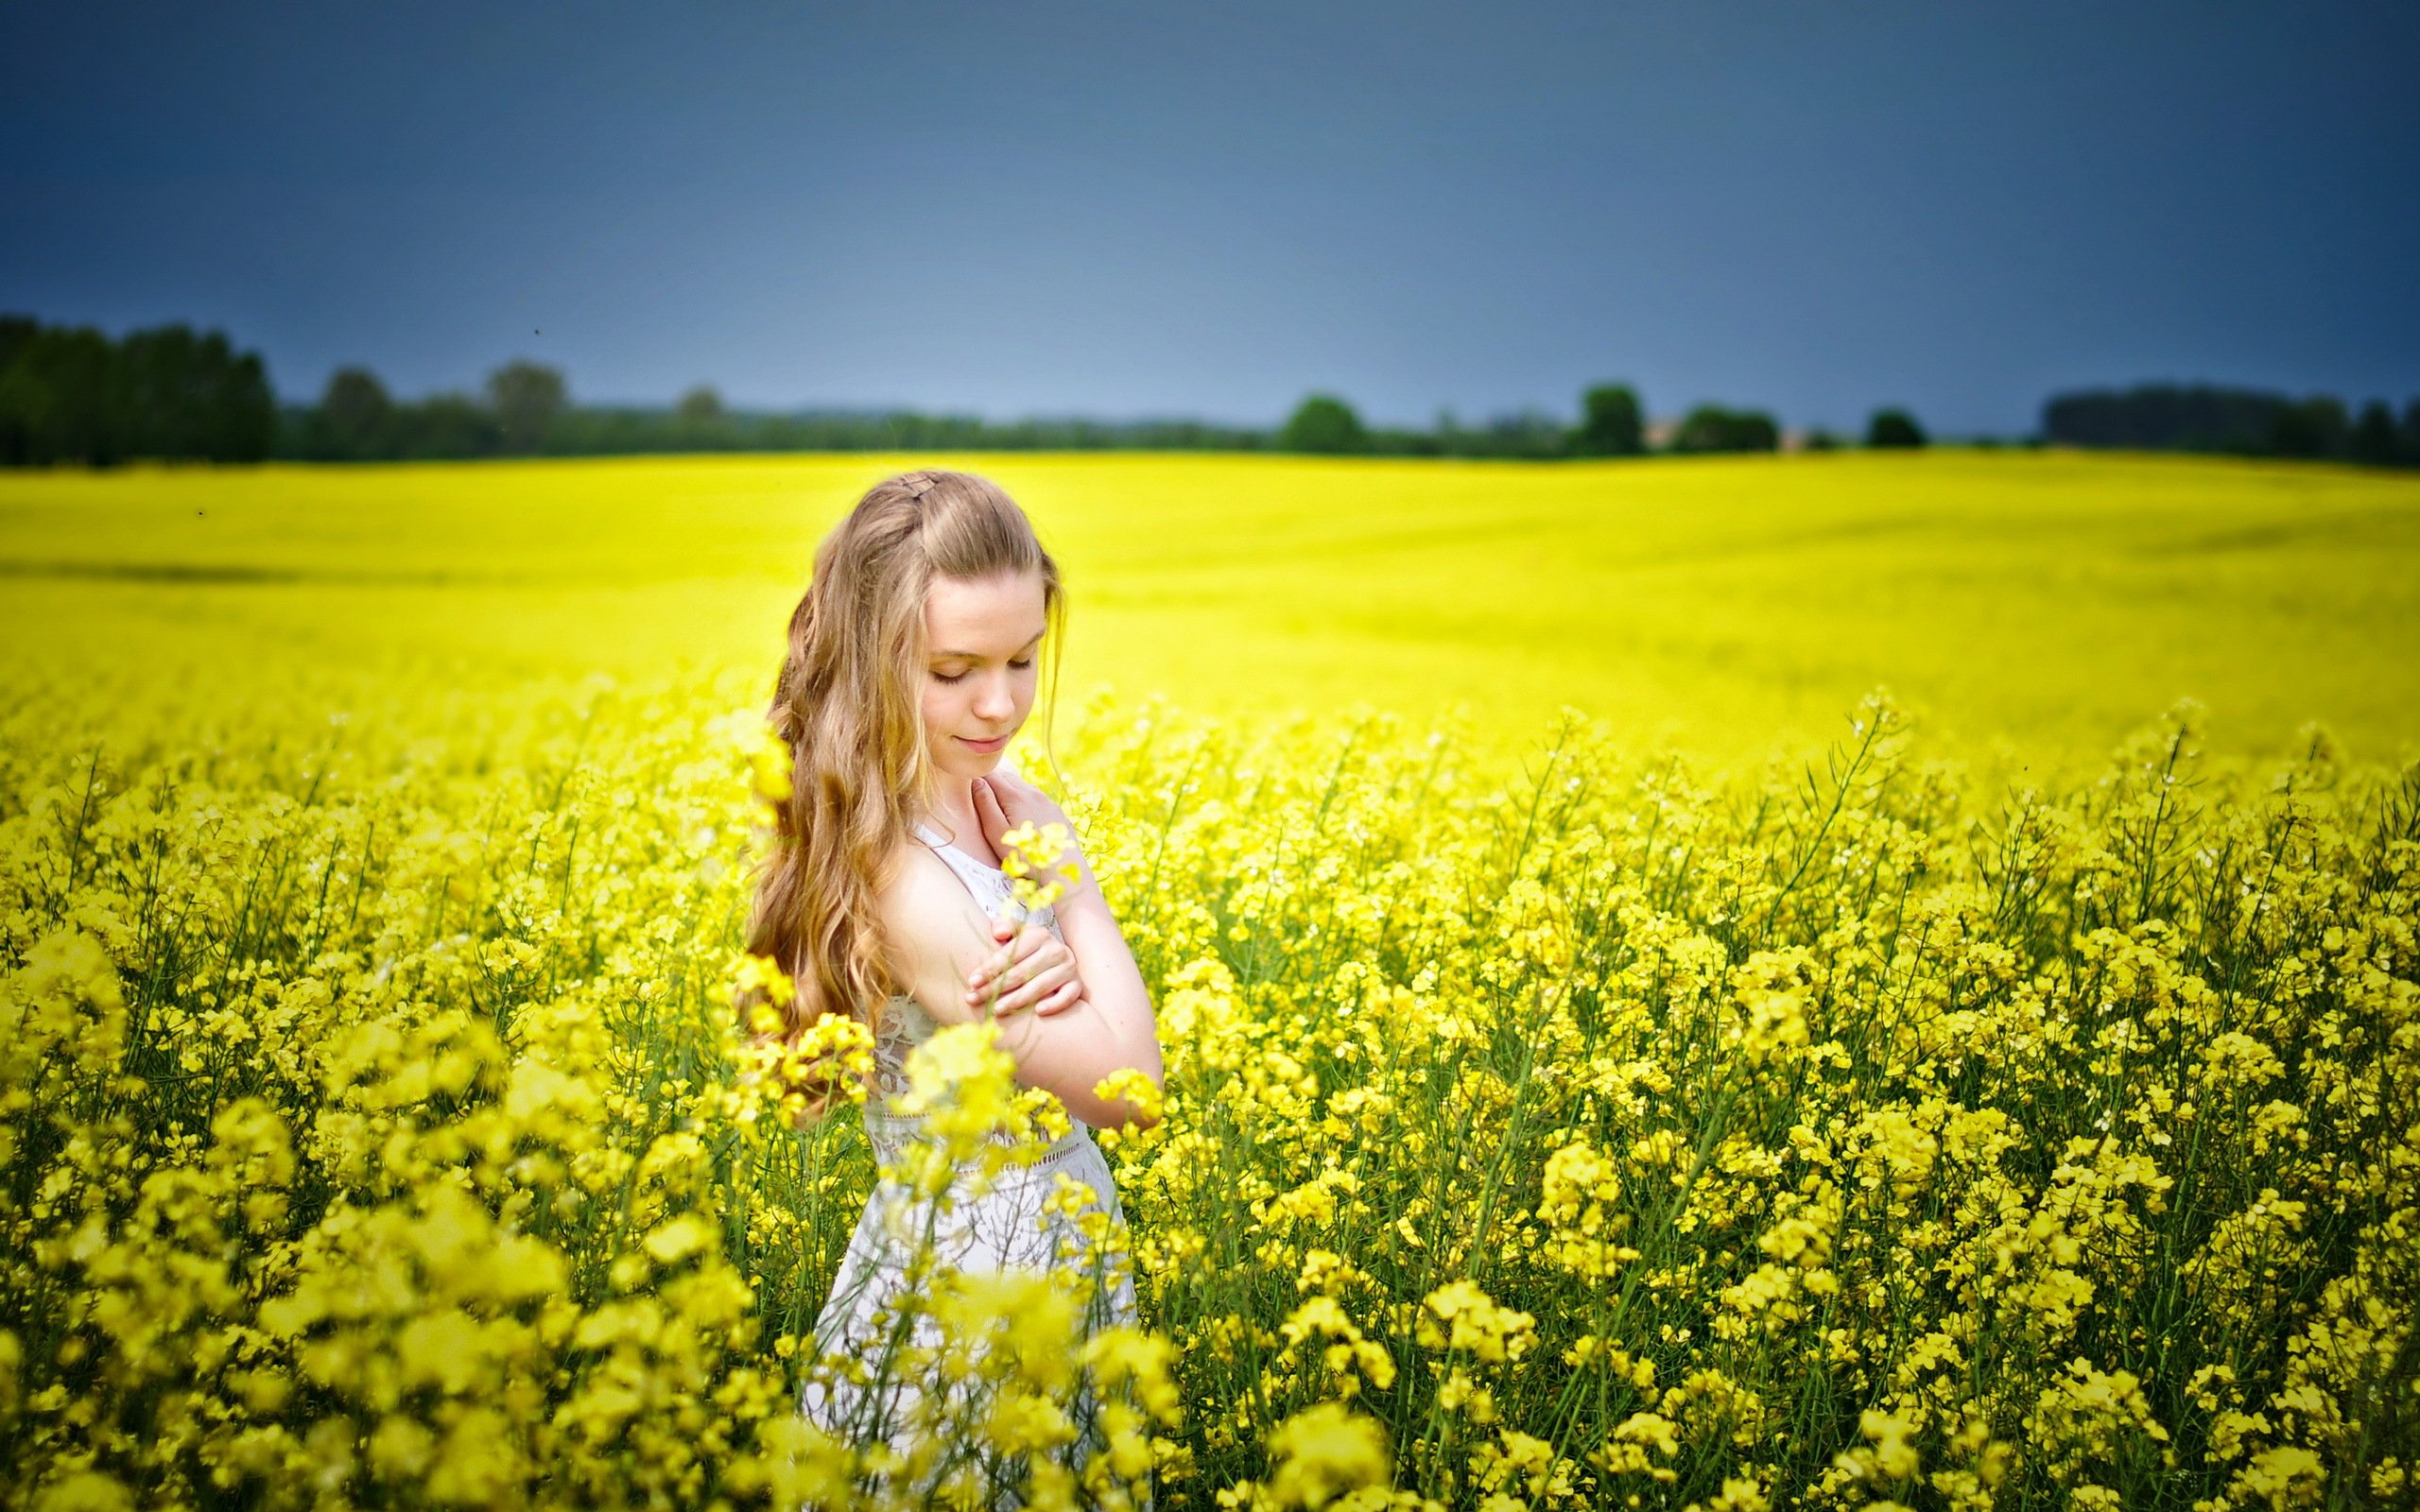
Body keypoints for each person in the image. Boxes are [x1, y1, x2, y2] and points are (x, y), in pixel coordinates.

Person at [746, 468, 1165, 1505]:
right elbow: (1130, 1088)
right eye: (953, 670)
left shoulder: (990, 807)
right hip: (972, 1295)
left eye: (1023, 658)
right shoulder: (900, 873)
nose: (1001, 701)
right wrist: (1071, 889)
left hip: (1046, 1269)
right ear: (873, 662)